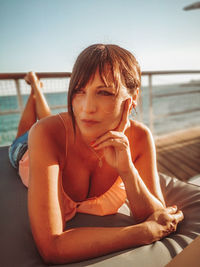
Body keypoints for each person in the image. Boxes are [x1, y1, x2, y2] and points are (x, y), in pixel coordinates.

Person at [8, 44, 183, 264]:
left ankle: (36, 88)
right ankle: (35, 86)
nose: (86, 107)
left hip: (58, 132)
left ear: (133, 96)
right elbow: (52, 246)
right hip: (27, 152)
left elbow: (156, 214)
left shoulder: (139, 137)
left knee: (51, 121)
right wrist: (142, 233)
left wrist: (127, 170)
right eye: (79, 90)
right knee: (27, 132)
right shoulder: (45, 133)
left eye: (104, 92)